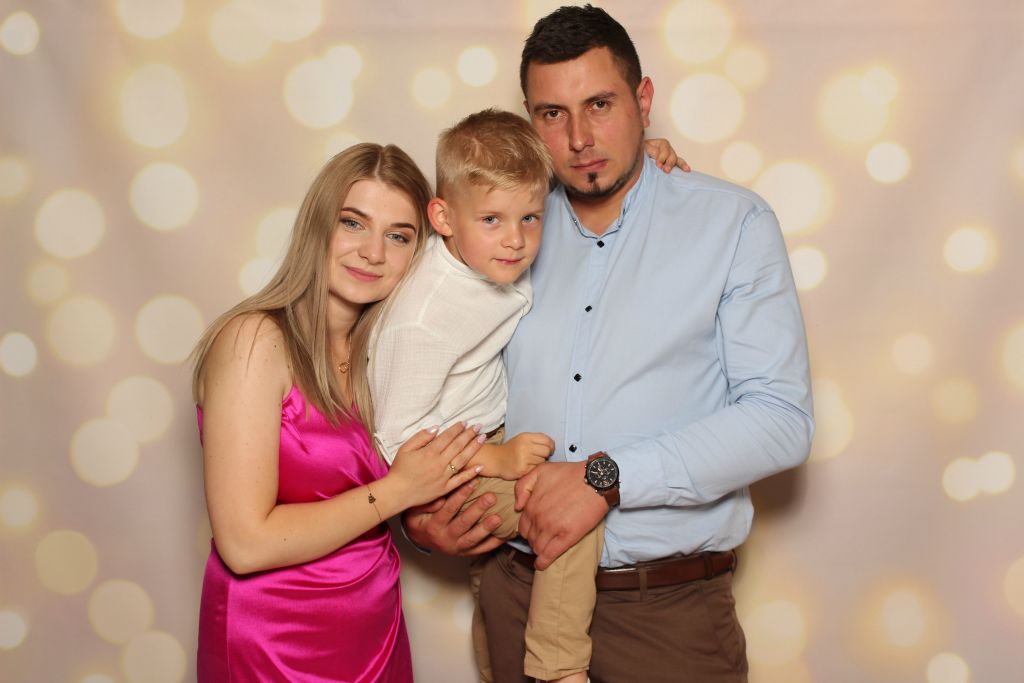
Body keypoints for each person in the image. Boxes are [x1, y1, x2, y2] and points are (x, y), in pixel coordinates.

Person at [405, 5, 815, 683]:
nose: (580, 138)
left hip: (666, 616)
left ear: (643, 100)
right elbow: (425, 365)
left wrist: (607, 478)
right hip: (515, 594)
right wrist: (418, 518)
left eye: (600, 104)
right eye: (553, 114)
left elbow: (780, 421)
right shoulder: (503, 229)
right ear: (529, 121)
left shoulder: (732, 224)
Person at [190, 143, 486, 682]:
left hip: (376, 630)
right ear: (317, 225)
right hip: (274, 642)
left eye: (399, 236)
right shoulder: (255, 340)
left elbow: (506, 233)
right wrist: (399, 491)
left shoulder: (390, 357)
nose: (373, 252)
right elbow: (244, 543)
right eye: (353, 223)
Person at [367, 108, 600, 683]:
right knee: (566, 512)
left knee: (492, 577)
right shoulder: (425, 318)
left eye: (530, 218)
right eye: (492, 219)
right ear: (443, 218)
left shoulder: (488, 256)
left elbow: (579, 192)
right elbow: (395, 442)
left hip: (483, 435)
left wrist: (653, 152)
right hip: (453, 463)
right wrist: (493, 458)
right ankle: (557, 668)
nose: (516, 240)